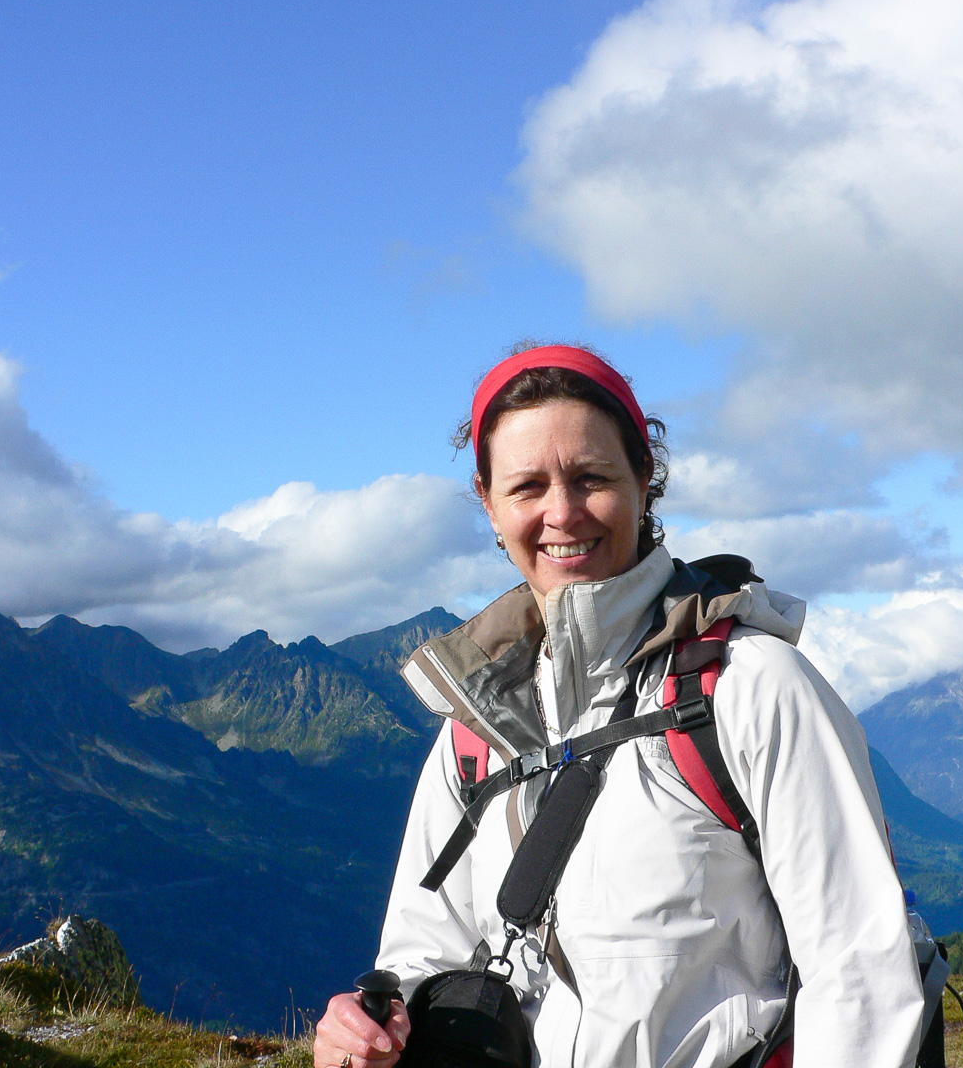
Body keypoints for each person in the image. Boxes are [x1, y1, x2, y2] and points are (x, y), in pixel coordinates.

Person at [314, 344, 924, 1068]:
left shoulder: (753, 688)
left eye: (591, 478)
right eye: (527, 486)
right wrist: (372, 1033)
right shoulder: (476, 728)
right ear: (489, 503)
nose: (562, 513)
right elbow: (423, 958)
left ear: (643, 479)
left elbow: (861, 976)